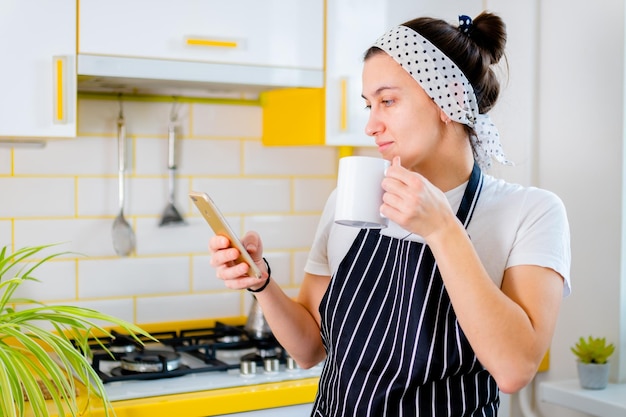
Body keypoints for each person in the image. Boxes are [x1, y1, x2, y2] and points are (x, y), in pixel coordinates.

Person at [209, 11, 571, 417]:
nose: (370, 125)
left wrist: (442, 229)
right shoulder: (348, 199)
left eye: (387, 101)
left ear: (449, 97)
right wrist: (262, 283)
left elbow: (514, 368)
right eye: (368, 104)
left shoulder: (530, 213)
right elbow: (311, 348)